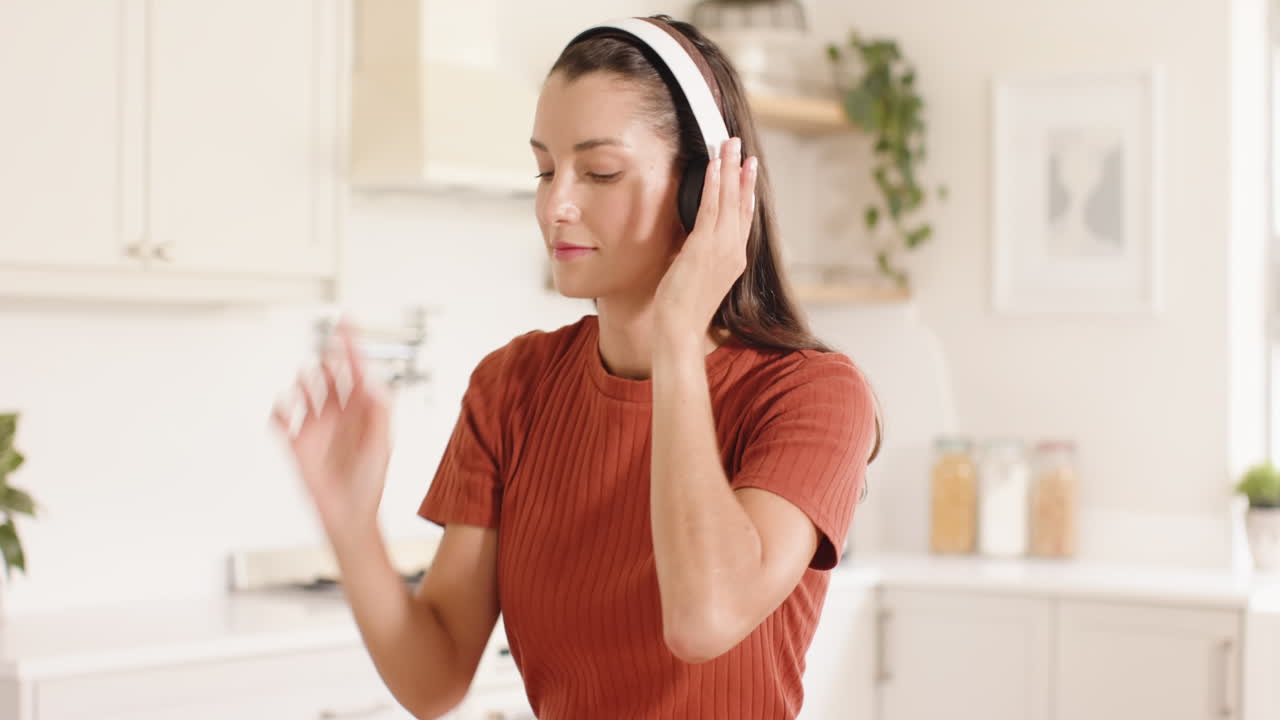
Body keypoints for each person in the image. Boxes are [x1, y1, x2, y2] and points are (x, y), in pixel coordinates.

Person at [271, 14, 883, 720]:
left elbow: (702, 618)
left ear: (704, 192)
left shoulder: (812, 395)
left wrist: (680, 334)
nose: (556, 204)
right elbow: (433, 678)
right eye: (544, 169)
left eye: (599, 172)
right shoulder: (513, 386)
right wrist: (352, 527)